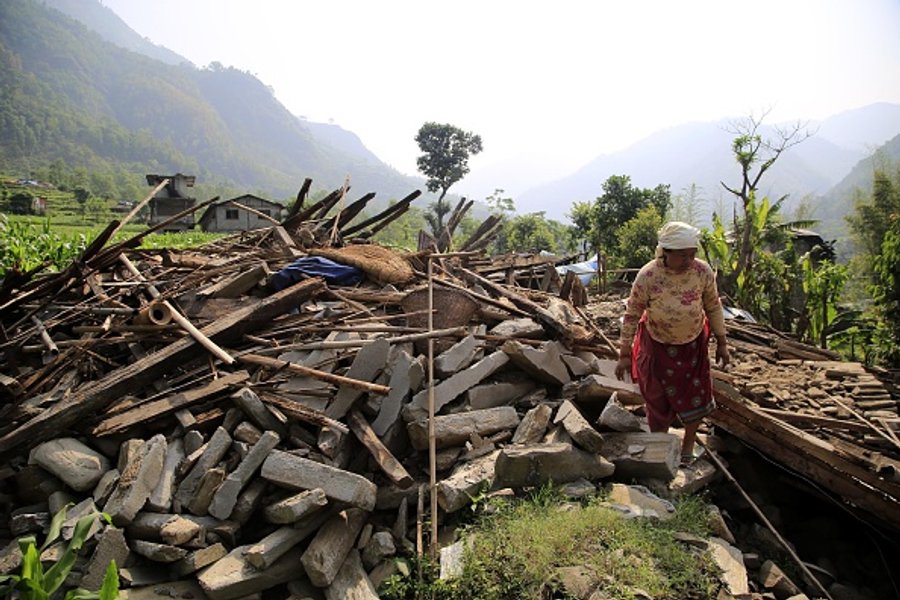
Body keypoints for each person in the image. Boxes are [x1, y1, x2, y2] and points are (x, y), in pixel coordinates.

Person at [614, 221, 730, 465]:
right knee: (657, 397)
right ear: (666, 251)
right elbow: (632, 314)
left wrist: (722, 342)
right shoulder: (648, 276)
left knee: (696, 394)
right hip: (657, 346)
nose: (689, 260)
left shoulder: (702, 272)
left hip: (693, 346)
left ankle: (687, 447)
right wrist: (624, 353)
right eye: (683, 255)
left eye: (692, 254)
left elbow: (713, 306)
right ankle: (661, 448)